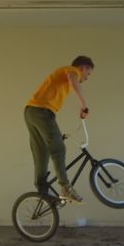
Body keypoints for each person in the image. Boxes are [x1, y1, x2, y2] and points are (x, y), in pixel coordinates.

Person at [24, 55, 94, 203]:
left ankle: (42, 190)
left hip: (31, 112)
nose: (87, 78)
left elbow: (71, 82)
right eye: (88, 73)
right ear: (84, 67)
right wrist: (83, 104)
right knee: (59, 149)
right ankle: (65, 187)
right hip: (42, 112)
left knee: (42, 153)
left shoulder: (65, 75)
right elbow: (74, 80)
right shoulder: (72, 70)